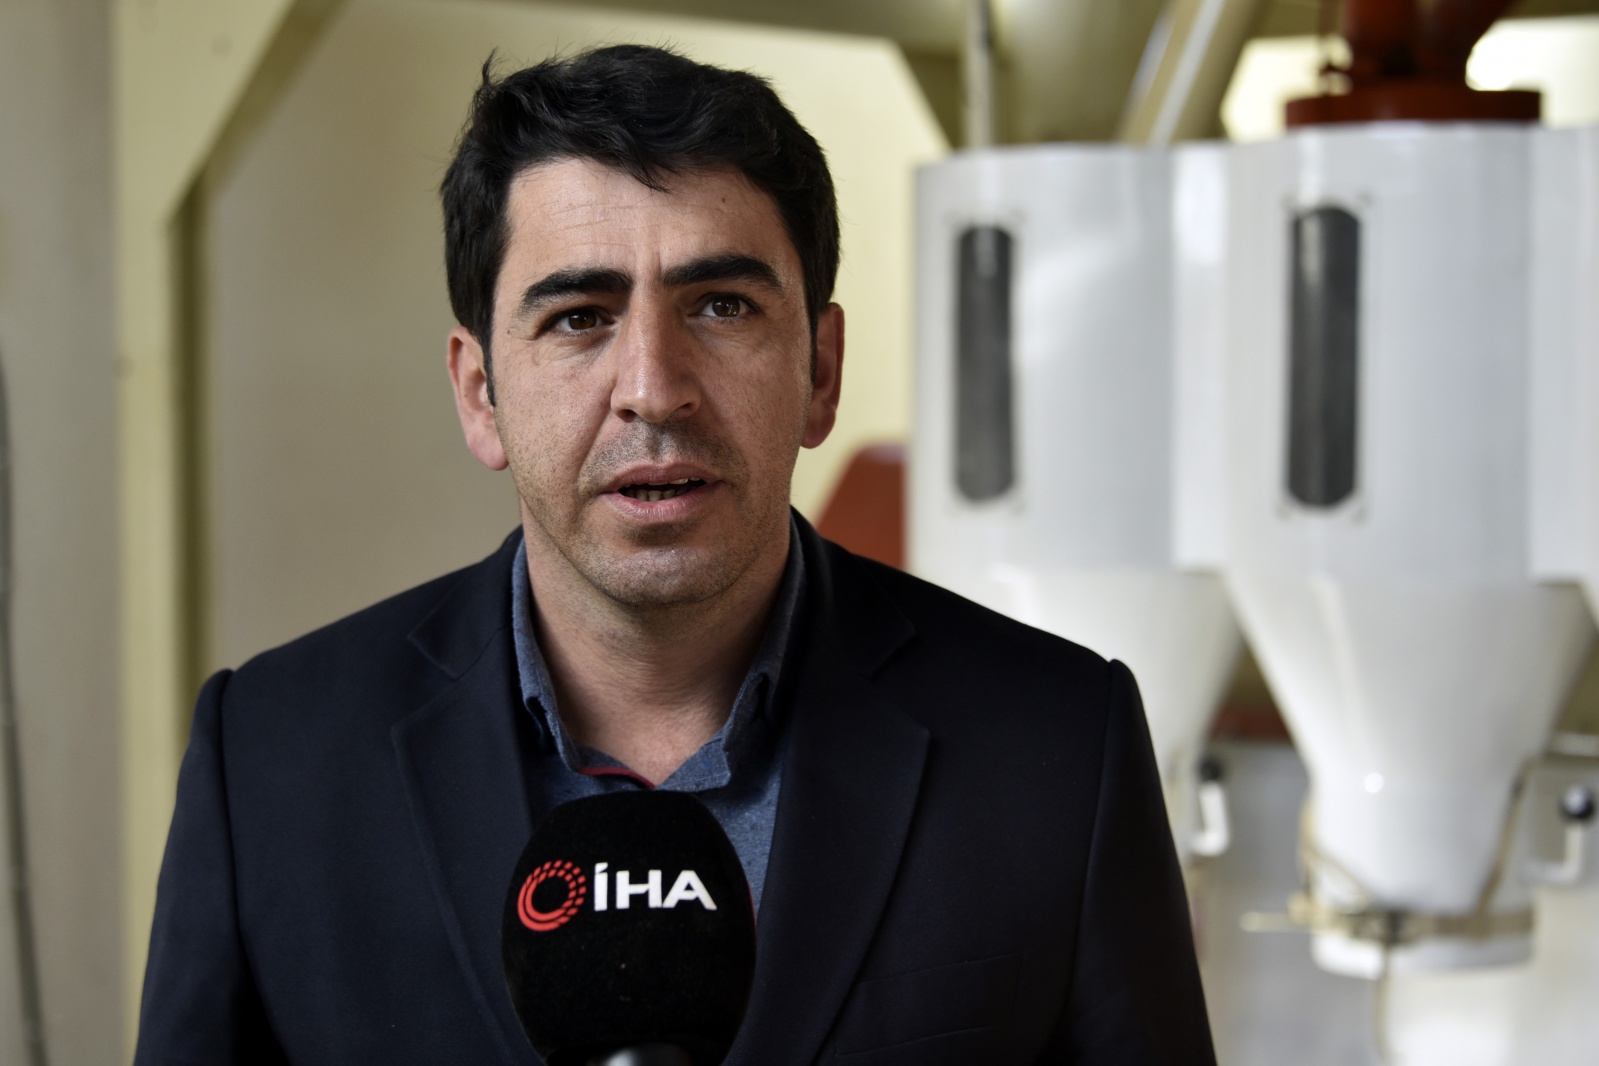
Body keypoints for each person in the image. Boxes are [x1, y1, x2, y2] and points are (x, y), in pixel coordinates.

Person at [135, 45, 1214, 1065]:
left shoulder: (1056, 748)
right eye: (578, 317)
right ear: (480, 394)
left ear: (820, 371)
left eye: (722, 306)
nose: (653, 388)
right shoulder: (270, 763)